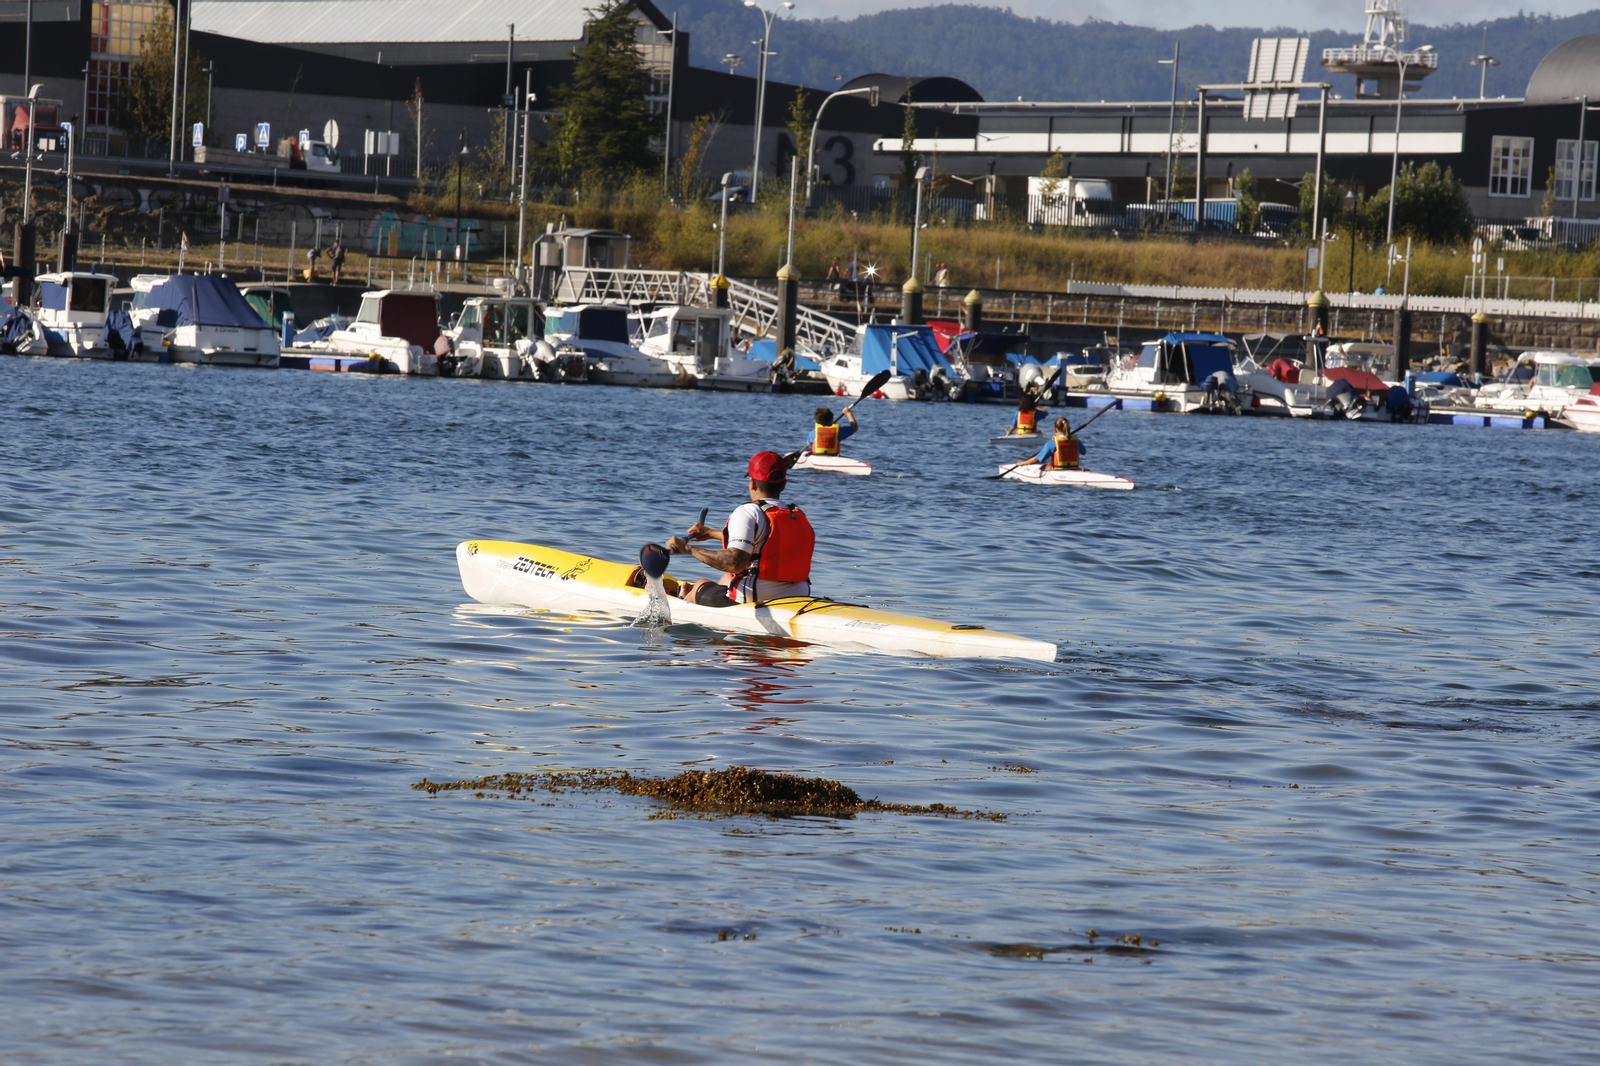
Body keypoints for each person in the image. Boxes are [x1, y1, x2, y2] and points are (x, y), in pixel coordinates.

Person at [666, 451, 815, 608]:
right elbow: (768, 542)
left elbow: (734, 562)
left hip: (755, 601)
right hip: (798, 596)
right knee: (726, 578)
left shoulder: (748, 512)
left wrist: (688, 549)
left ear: (752, 483)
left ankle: (686, 597)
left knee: (701, 584)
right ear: (783, 484)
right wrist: (710, 533)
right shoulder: (797, 515)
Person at [1017, 416, 1086, 471]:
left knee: (1045, 466)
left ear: (1055, 429)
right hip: (1073, 469)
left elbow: (1037, 459)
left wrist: (1022, 463)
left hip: (1057, 471)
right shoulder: (1076, 441)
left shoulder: (1052, 443)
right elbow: (1084, 452)